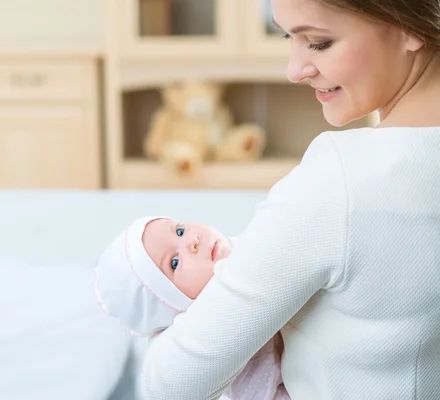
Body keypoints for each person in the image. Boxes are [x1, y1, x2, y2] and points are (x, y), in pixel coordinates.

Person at [139, 0, 440, 398]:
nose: (295, 69)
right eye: (287, 36)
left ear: (410, 28)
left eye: (318, 42)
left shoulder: (340, 181)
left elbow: (169, 382)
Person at [93, 216, 289, 399]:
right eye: (174, 262)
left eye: (179, 231)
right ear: (175, 304)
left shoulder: (253, 240)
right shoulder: (225, 340)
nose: (193, 241)